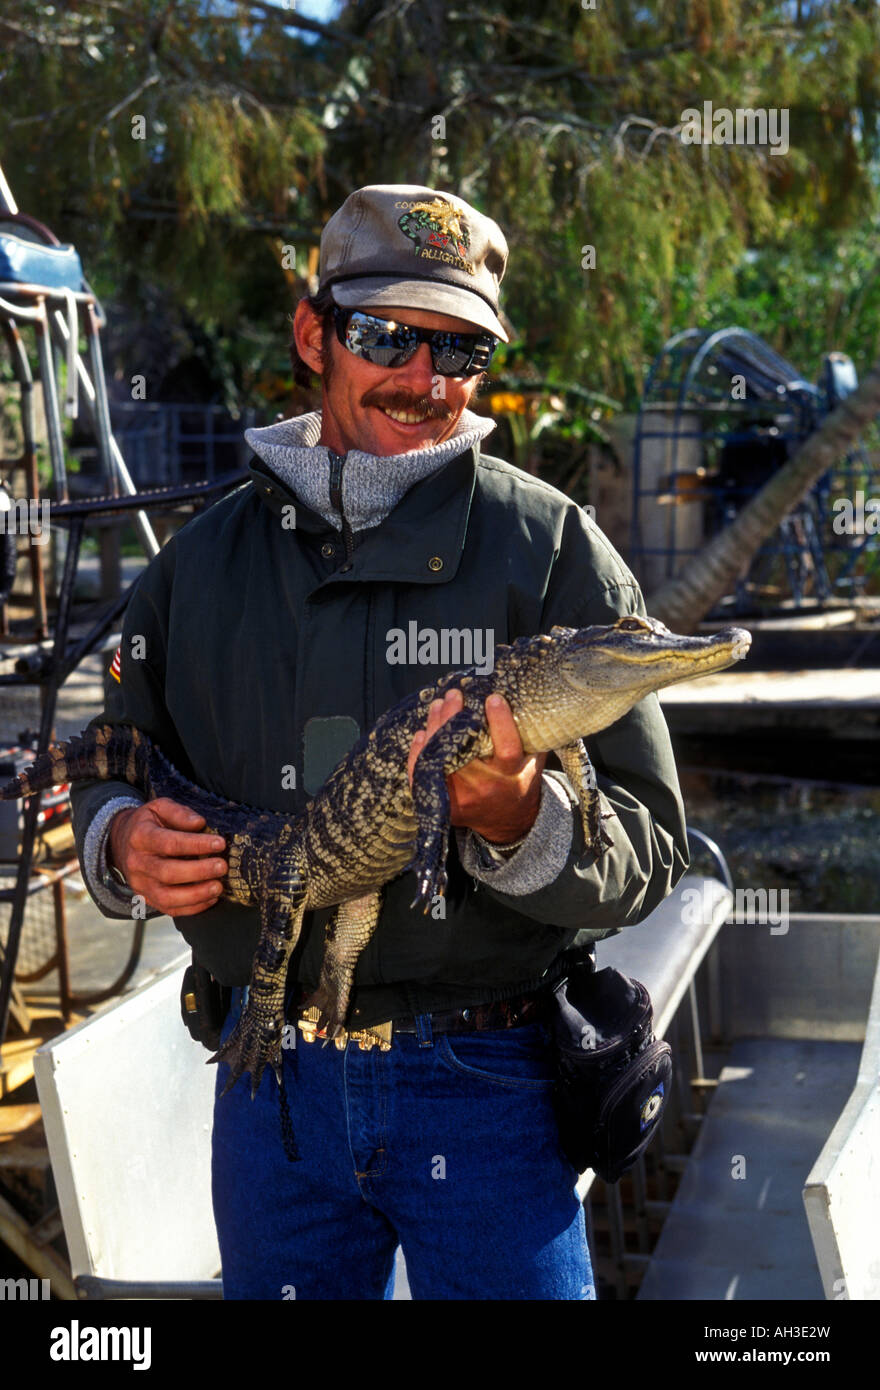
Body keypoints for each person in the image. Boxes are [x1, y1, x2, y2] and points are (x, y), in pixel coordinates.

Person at [70, 183, 688, 1301]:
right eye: (385, 334)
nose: (424, 379)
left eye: (459, 352)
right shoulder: (195, 566)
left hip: (489, 1083)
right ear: (315, 335)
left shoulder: (553, 547)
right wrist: (119, 846)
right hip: (269, 1089)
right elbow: (112, 750)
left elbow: (647, 851)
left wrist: (522, 821)